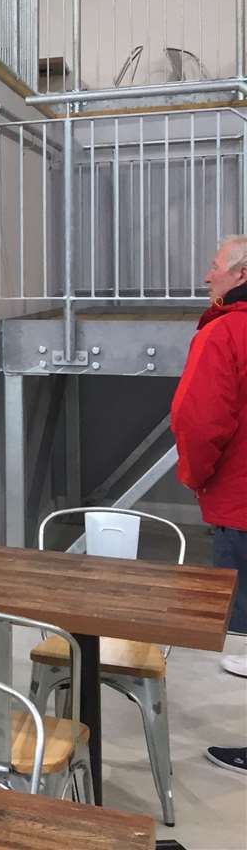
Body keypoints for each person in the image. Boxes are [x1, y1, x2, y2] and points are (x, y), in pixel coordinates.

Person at [170, 234, 247, 692]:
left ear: (241, 274)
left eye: (215, 265)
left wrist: (195, 478)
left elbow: (197, 421)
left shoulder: (224, 333)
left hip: (239, 507)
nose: (207, 274)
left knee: (239, 624)